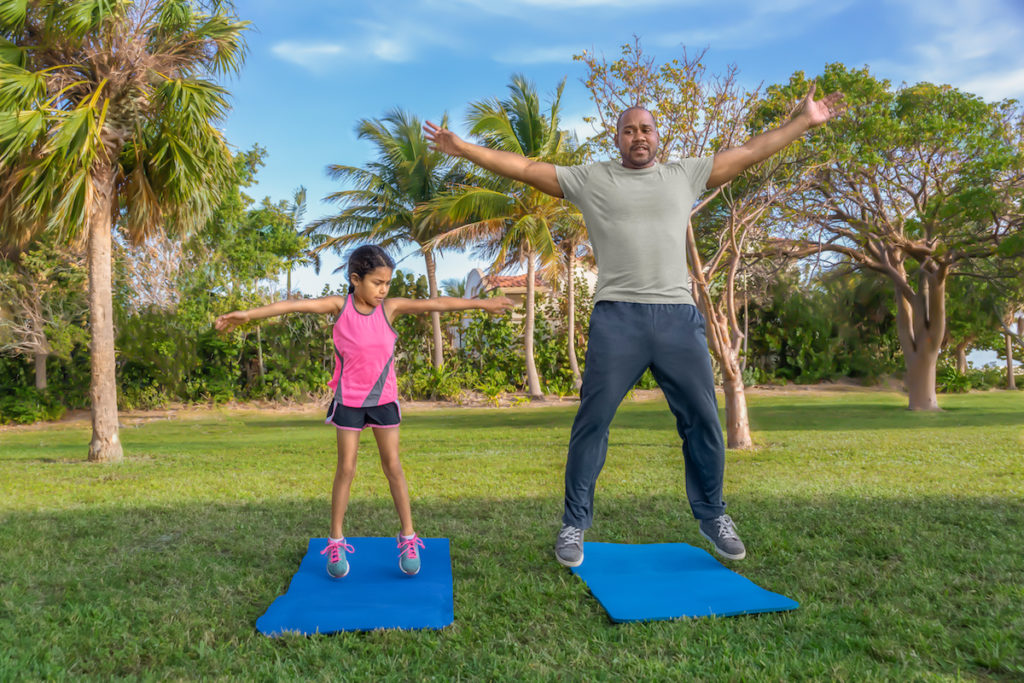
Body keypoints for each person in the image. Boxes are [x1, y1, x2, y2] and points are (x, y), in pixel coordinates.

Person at [424, 84, 845, 567]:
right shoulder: (590, 179)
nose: (638, 136)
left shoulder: (684, 174)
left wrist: (804, 122)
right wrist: (463, 150)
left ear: (657, 136)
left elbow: (750, 152)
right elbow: (522, 167)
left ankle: (713, 515)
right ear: (617, 138)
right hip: (616, 317)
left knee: (704, 421)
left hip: (677, 317)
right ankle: (573, 525)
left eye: (645, 129)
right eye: (629, 130)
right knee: (592, 422)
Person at [215, 245, 513, 577]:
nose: (384, 290)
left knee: (393, 466)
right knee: (346, 468)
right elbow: (292, 305)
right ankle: (336, 540)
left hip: (384, 400)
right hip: (349, 401)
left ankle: (408, 536)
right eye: (377, 283)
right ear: (356, 279)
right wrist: (247, 315)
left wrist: (482, 303)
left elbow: (438, 303)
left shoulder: (391, 308)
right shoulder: (338, 306)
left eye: (387, 283)